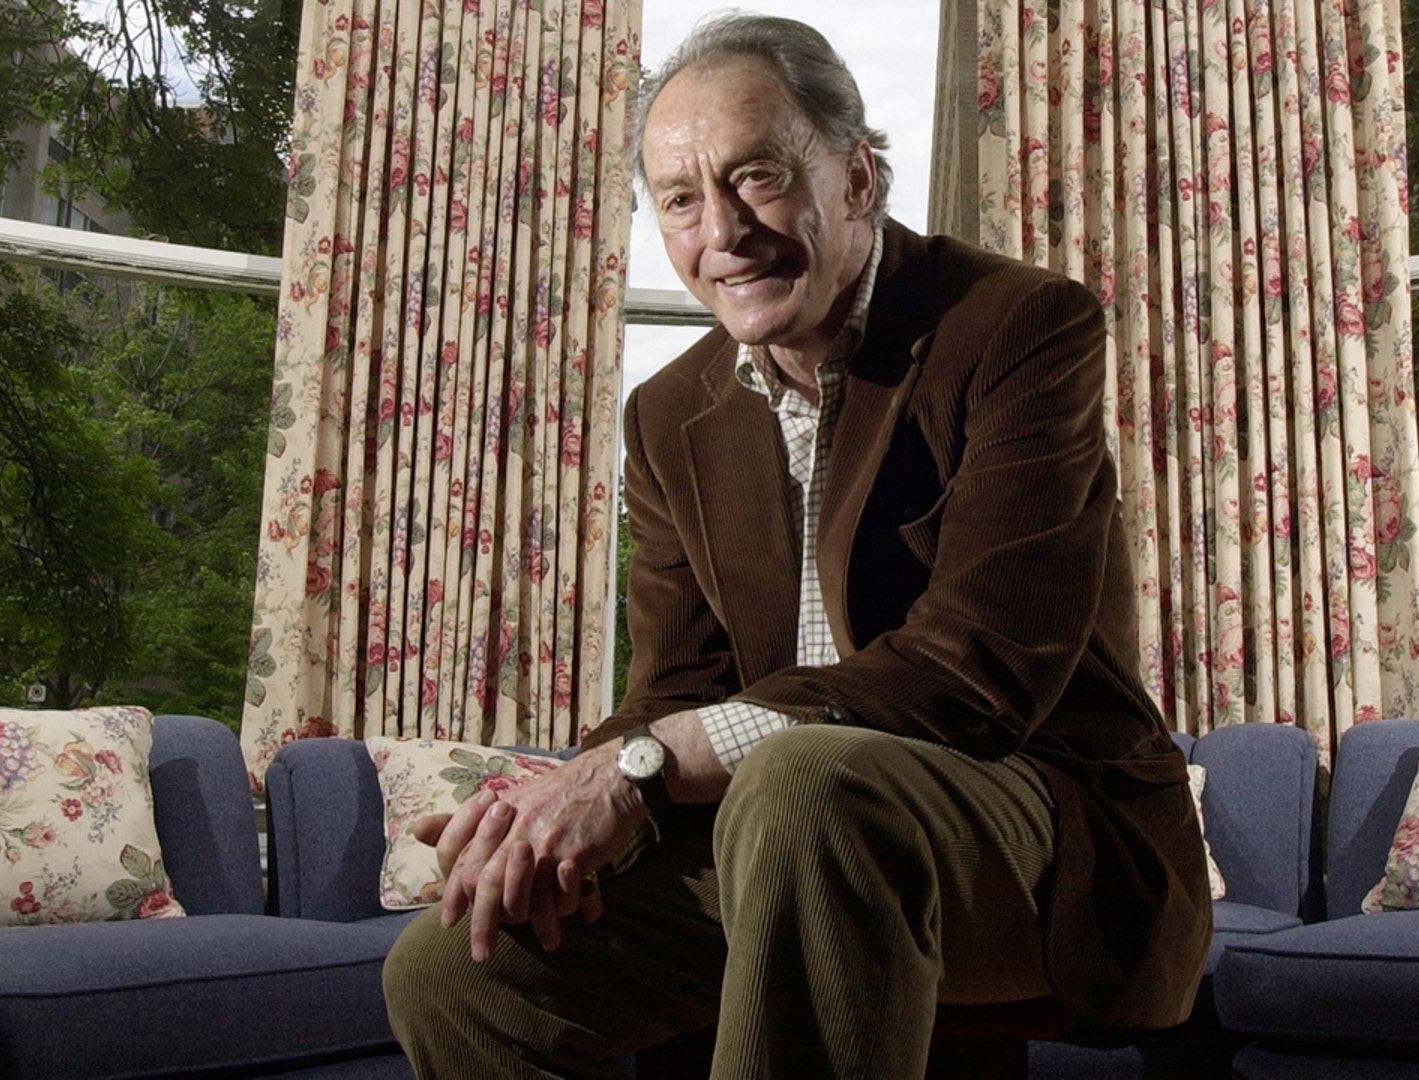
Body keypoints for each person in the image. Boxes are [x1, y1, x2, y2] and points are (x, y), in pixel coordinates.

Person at [382, 12, 1211, 1078]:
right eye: (681, 199)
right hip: (779, 835)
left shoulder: (1020, 327)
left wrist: (643, 769)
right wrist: (561, 795)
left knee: (808, 783)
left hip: (1042, 833)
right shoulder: (666, 416)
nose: (723, 232)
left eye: (757, 177)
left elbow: (980, 671)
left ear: (857, 177)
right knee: (455, 971)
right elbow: (673, 687)